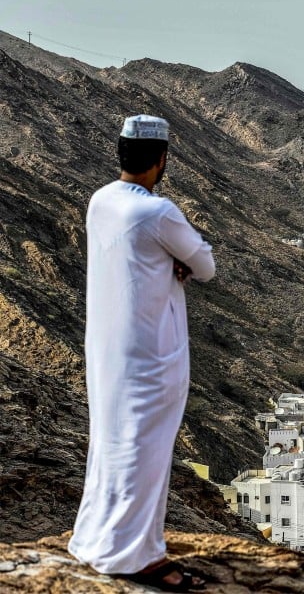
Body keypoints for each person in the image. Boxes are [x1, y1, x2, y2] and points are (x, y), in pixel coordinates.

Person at [68, 115, 215, 591]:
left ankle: (94, 540)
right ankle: (135, 558)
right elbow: (206, 266)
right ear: (161, 160)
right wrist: (179, 262)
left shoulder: (100, 201)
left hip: (107, 349)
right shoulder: (158, 212)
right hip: (153, 354)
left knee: (111, 445)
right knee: (145, 453)